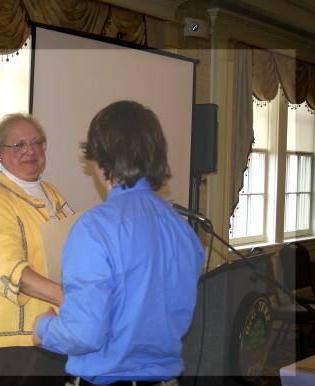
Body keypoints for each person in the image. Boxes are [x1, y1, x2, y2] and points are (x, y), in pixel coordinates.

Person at [33, 100, 205, 386]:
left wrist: (43, 328)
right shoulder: (181, 228)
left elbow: (84, 333)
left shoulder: (93, 229)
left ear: (100, 160)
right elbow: (177, 318)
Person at [0, 113, 73, 386]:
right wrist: (65, 296)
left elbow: (74, 241)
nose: (30, 151)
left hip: (47, 329)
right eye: (18, 145)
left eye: (37, 143)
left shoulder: (50, 192)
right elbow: (9, 268)